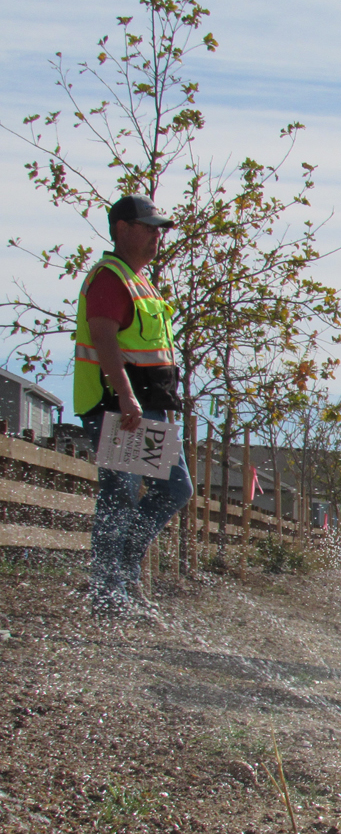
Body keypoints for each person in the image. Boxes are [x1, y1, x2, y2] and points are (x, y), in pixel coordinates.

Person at [73, 194, 194, 619]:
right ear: (122, 228)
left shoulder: (139, 279)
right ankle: (109, 593)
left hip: (144, 409)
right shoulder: (110, 277)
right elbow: (104, 337)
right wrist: (125, 394)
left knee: (176, 488)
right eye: (150, 226)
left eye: (160, 228)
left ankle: (120, 576)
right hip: (119, 409)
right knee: (119, 496)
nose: (158, 235)